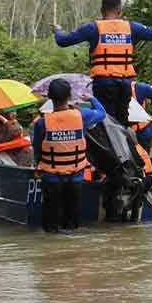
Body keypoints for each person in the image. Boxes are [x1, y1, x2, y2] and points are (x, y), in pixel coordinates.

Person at [51, 0, 152, 125]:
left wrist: (57, 30)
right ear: (119, 11)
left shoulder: (92, 28)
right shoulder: (131, 27)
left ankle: (109, 153)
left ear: (102, 10)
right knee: (122, 122)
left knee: (106, 121)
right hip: (124, 83)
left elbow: (63, 41)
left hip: (104, 83)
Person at [31, 78, 106, 232]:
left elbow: (37, 148)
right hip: (75, 177)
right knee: (72, 224)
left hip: (51, 177)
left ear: (50, 98)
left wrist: (40, 166)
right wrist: (92, 99)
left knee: (51, 225)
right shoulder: (81, 116)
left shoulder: (42, 123)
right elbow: (102, 113)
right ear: (70, 96)